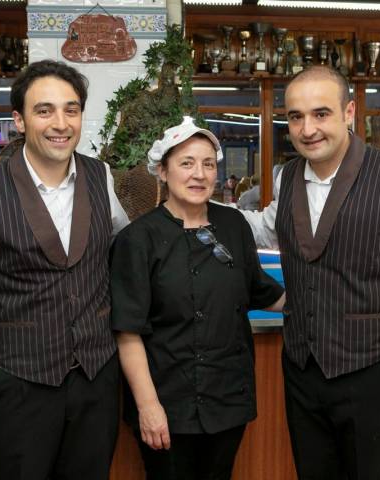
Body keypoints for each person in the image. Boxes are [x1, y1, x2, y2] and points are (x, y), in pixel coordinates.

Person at [240, 65, 380, 479]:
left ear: (349, 112)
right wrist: (199, 209)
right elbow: (265, 226)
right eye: (296, 117)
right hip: (302, 368)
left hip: (371, 370)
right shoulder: (287, 178)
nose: (307, 129)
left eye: (321, 114)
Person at [0, 60, 129, 480]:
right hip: (20, 383)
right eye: (45, 110)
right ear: (19, 120)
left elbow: (117, 244)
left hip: (96, 378)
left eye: (71, 110)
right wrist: (0, 331)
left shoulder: (101, 176)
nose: (60, 123)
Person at [110, 116, 285, 480]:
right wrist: (148, 405)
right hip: (166, 401)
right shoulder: (137, 239)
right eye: (186, 163)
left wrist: (329, 298)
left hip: (228, 397)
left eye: (207, 164)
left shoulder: (233, 225)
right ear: (163, 170)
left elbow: (260, 291)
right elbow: (128, 332)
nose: (199, 174)